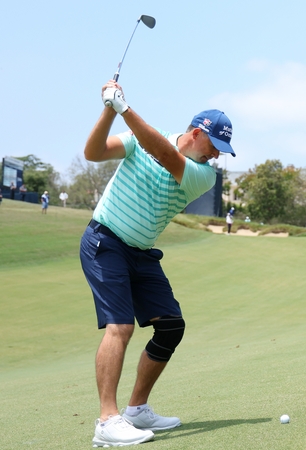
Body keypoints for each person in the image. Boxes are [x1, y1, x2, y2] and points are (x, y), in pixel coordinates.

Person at [80, 80, 235, 447]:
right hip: (105, 240)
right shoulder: (139, 139)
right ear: (197, 133)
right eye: (216, 146)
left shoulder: (203, 175)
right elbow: (93, 152)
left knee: (171, 327)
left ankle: (136, 409)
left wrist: (124, 108)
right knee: (120, 327)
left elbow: (165, 155)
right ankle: (107, 420)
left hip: (141, 252)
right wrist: (108, 109)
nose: (217, 156)